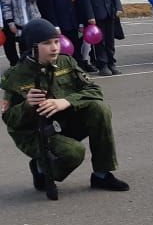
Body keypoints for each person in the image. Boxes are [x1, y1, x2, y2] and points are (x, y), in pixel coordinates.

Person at [1, 19, 130, 195]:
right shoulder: (15, 76)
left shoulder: (66, 62)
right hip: (34, 133)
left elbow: (94, 91)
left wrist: (66, 101)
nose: (55, 47)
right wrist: (27, 105)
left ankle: (101, 174)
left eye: (56, 41)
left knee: (100, 109)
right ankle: (41, 168)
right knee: (74, 152)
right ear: (32, 47)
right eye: (47, 43)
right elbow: (10, 120)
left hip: (62, 121)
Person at [36, 0, 87, 65]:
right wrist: (55, 26)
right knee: (63, 49)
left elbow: (77, 7)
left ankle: (78, 66)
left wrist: (81, 23)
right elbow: (49, 10)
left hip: (73, 24)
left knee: (76, 46)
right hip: (60, 26)